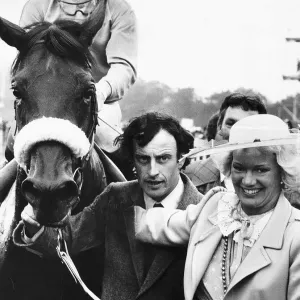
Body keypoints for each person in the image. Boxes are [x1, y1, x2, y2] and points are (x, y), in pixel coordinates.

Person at [13, 112, 203, 300]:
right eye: (143, 159)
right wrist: (35, 227)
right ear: (133, 161)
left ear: (181, 159)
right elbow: (69, 239)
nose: (153, 171)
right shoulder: (116, 197)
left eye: (163, 159)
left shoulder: (208, 213)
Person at [135, 114, 300, 300]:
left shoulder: (295, 235)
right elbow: (155, 224)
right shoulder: (217, 206)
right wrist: (113, 207)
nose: (247, 180)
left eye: (260, 170)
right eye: (239, 168)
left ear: (283, 171)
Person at [5, 0, 137, 158]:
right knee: (13, 144)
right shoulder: (36, 6)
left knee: (109, 139)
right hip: (41, 102)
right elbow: (30, 63)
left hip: (97, 99)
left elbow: (123, 67)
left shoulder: (120, 10)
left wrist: (101, 92)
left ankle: (127, 180)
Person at [184, 92, 267, 194]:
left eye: (247, 126)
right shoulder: (187, 176)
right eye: (231, 124)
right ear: (219, 126)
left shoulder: (281, 181)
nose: (237, 132)